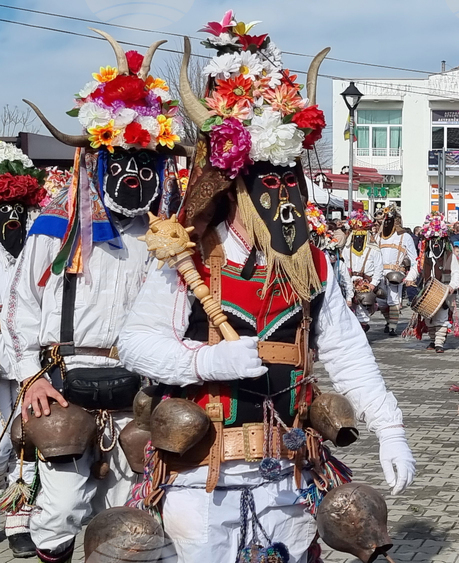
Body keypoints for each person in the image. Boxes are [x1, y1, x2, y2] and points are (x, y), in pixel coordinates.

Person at [116, 16, 415, 562]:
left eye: (289, 179)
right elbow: (135, 342)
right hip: (197, 477)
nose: (283, 196)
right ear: (235, 187)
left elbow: (347, 351)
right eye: (266, 180)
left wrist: (390, 428)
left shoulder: (313, 265)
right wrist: (209, 362)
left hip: (291, 473)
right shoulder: (187, 259)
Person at [6, 32, 185, 563]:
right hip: (63, 383)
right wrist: (29, 374)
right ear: (98, 164)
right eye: (121, 161)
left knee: (129, 512)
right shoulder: (54, 227)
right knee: (61, 507)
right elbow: (17, 308)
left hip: (139, 391)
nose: (134, 173)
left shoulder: (167, 237)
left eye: (145, 163)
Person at [0, 142, 49, 557]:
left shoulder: (34, 246)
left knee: (25, 436)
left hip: (22, 356)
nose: (11, 220)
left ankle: (21, 517)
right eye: (3, 212)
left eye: (17, 212)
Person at [407, 213, 459, 352]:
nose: (436, 243)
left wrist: (452, 286)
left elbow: (457, 273)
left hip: (444, 292)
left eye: (439, 240)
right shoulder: (424, 257)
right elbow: (416, 268)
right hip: (428, 292)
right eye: (432, 239)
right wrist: (408, 278)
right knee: (428, 318)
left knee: (442, 318)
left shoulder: (450, 256)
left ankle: (439, 344)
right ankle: (433, 341)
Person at [376, 204, 418, 336]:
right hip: (379, 273)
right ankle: (389, 321)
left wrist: (410, 276)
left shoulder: (405, 237)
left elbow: (415, 259)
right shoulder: (378, 237)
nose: (386, 223)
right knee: (381, 301)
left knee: (393, 300)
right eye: (385, 221)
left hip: (395, 273)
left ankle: (392, 327)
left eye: (389, 220)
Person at [345, 210, 384, 332]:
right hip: (349, 283)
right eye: (356, 236)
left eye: (361, 236)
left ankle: (361, 332)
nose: (358, 239)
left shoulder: (374, 250)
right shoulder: (346, 249)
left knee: (363, 313)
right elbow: (343, 268)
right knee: (348, 312)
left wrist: (372, 284)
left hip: (366, 285)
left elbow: (379, 269)